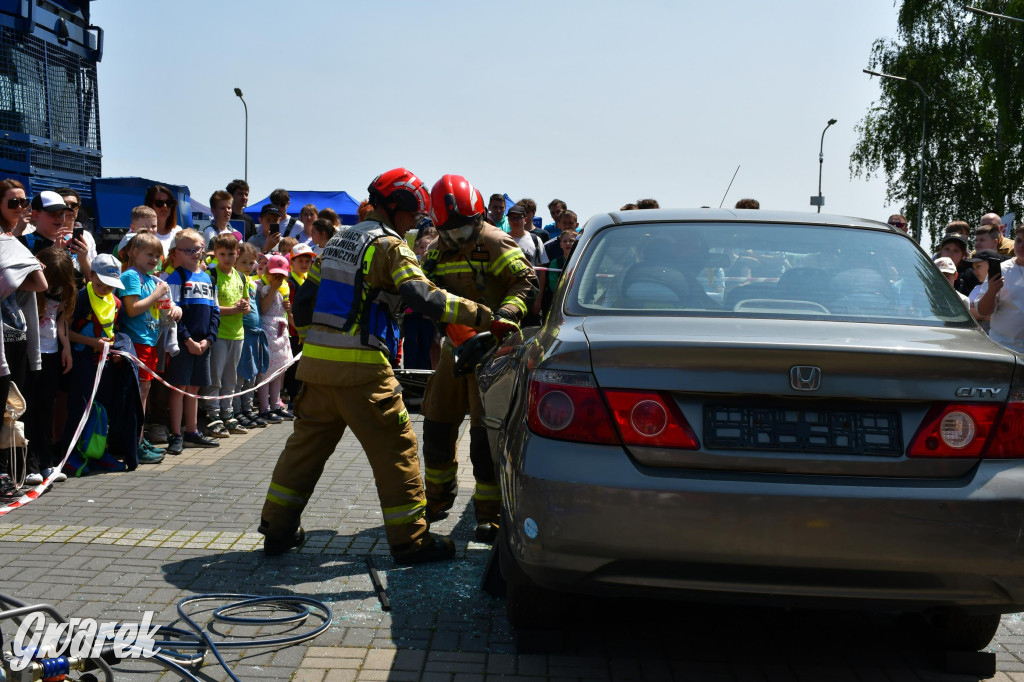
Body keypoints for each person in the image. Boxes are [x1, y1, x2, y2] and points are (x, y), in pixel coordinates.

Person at [258, 167, 508, 563]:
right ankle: (411, 541)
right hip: (363, 373)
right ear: (398, 208)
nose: (417, 221)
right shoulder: (390, 246)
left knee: (302, 452)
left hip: (317, 372)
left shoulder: (339, 240)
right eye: (414, 213)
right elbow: (423, 296)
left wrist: (314, 342)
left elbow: (304, 303)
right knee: (397, 452)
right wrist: (483, 316)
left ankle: (277, 529)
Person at [419, 174, 535, 543]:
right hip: (455, 350)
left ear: (479, 216)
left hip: (494, 354)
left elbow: (525, 282)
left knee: (486, 440)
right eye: (448, 232)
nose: (456, 240)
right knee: (436, 425)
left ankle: (490, 515)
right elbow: (425, 288)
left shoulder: (495, 241)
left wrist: (502, 322)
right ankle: (436, 500)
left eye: (463, 230)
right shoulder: (439, 248)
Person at [61, 254, 127, 476]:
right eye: (100, 284)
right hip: (82, 362)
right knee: (79, 410)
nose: (105, 289)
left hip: (105, 364)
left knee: (102, 411)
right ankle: (70, 455)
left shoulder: (116, 302)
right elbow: (65, 331)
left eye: (110, 286)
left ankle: (97, 453)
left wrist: (116, 350)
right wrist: (91, 343)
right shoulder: (80, 298)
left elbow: (114, 331)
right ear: (91, 276)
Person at [117, 230, 172, 463]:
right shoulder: (131, 276)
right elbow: (132, 309)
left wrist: (171, 309)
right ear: (133, 252)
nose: (154, 260)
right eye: (149, 254)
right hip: (136, 343)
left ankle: (139, 438)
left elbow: (160, 311)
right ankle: (134, 443)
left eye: (158, 256)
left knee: (144, 394)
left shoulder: (152, 280)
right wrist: (157, 294)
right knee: (138, 395)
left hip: (149, 341)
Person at [163, 229, 220, 455]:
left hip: (203, 344)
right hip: (183, 343)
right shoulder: (176, 278)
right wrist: (187, 339)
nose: (195, 254)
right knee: (179, 387)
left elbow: (214, 311)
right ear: (177, 252)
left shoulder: (208, 278)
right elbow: (173, 314)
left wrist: (208, 339)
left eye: (198, 249)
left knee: (194, 388)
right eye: (188, 250)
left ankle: (192, 432)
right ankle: (176, 433)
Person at [0, 233, 46, 497]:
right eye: (14, 203)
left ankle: (6, 471)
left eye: (23, 202)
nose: (21, 207)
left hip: (16, 336)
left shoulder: (9, 243)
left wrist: (18, 249)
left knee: (11, 409)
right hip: (3, 342)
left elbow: (40, 282)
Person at [23, 246, 74, 485]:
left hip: (52, 352)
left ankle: (46, 463)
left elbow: (61, 318)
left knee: (47, 409)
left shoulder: (62, 289)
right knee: (29, 409)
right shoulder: (30, 289)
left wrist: (66, 347)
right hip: (31, 353)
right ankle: (29, 465)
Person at [201, 234, 249, 437]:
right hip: (218, 334)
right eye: (222, 254)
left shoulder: (241, 276)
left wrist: (244, 307)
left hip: (237, 334)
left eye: (231, 254)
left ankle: (228, 414)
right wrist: (233, 310)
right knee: (215, 378)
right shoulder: (212, 275)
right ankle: (213, 416)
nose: (227, 258)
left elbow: (245, 303)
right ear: (215, 254)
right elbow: (211, 307)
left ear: (237, 254)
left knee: (231, 379)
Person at [232, 242, 268, 429]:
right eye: (244, 262)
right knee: (240, 375)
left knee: (252, 374)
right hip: (242, 333)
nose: (248, 266)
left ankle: (247, 409)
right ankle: (236, 410)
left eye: (251, 262)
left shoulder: (252, 282)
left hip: (255, 334)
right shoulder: (236, 280)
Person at [256, 254, 293, 423]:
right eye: (274, 275)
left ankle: (275, 405)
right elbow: (263, 308)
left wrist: (287, 308)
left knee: (278, 371)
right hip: (268, 332)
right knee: (266, 373)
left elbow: (284, 312)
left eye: (281, 276)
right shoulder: (264, 289)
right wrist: (272, 289)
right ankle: (264, 408)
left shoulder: (283, 290)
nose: (277, 279)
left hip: (280, 334)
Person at [978, 226, 1024, 352]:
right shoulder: (1002, 270)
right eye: (1019, 241)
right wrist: (992, 291)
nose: (1021, 245)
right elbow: (983, 310)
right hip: (1003, 348)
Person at [535, 228, 577, 321]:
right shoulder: (555, 262)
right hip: (557, 302)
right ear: (560, 244)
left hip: (576, 303)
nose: (568, 243)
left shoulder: (582, 262)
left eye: (571, 241)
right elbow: (553, 284)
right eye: (565, 241)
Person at [145, 185, 182, 257]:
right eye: (159, 203)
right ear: (150, 205)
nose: (165, 206)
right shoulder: (139, 230)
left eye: (169, 203)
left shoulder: (178, 231)